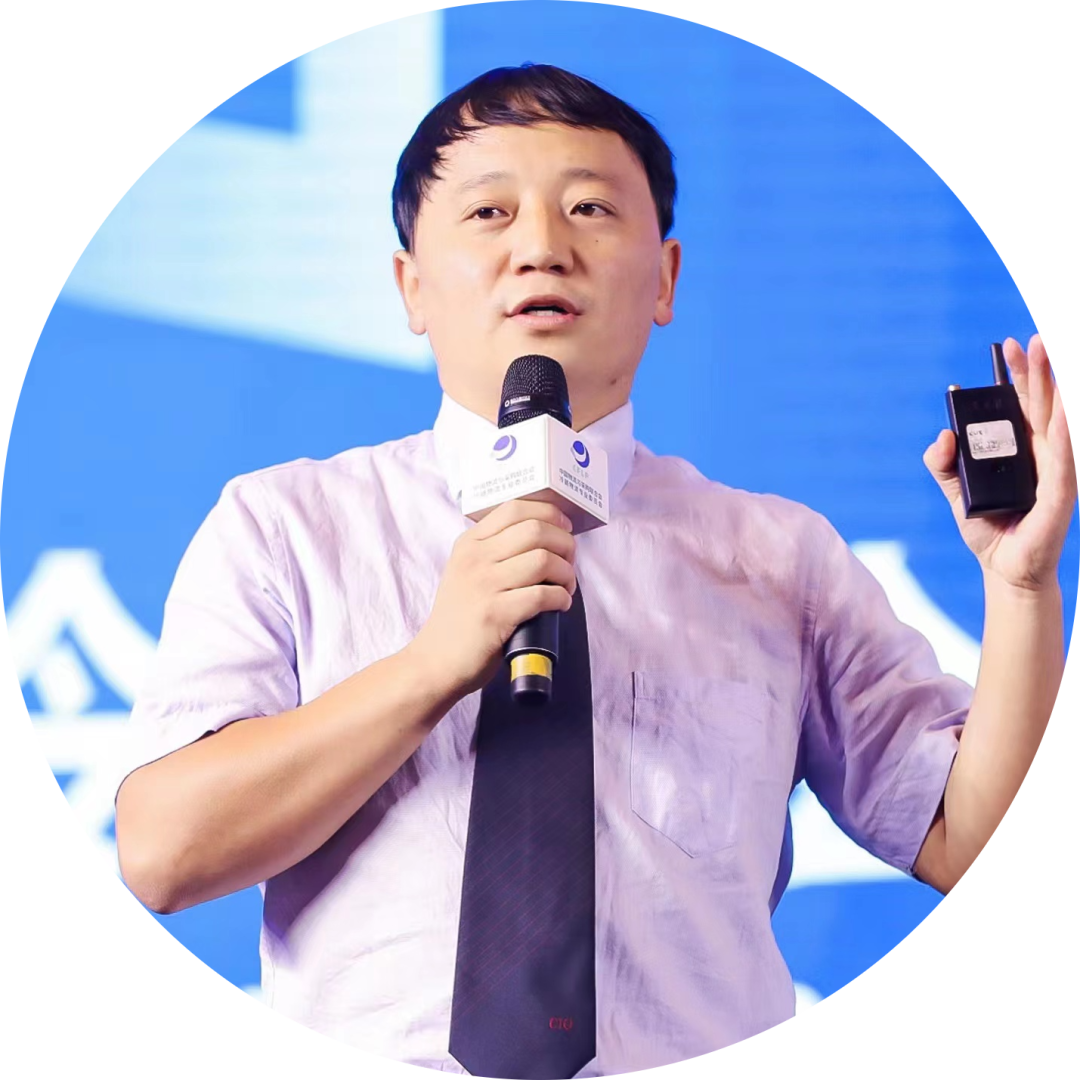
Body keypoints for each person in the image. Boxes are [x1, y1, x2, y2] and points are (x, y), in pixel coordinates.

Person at [114, 65, 1074, 1071]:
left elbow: (964, 837)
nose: (541, 246)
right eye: (489, 212)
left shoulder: (777, 556)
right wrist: (432, 664)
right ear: (411, 287)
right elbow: (166, 853)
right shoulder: (287, 525)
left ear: (664, 279)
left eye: (589, 208)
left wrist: (1021, 590)